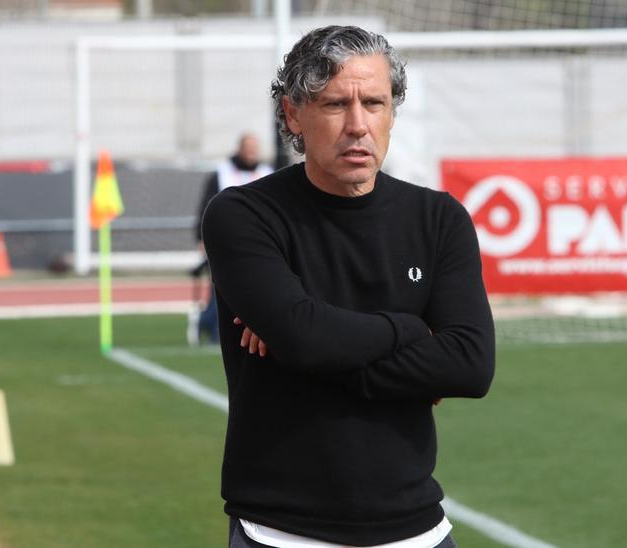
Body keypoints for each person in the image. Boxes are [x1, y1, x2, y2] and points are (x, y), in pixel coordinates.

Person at [200, 26, 495, 547]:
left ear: (392, 113)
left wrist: (304, 346)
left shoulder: (439, 218)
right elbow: (305, 339)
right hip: (279, 532)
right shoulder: (244, 215)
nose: (358, 125)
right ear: (293, 115)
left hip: (418, 531)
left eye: (375, 103)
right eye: (336, 104)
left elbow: (470, 365)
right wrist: (411, 329)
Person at [191, 133, 273, 344]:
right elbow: (206, 207)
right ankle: (211, 328)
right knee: (222, 288)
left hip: (259, 243)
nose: (251, 153)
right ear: (239, 149)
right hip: (225, 242)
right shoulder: (222, 173)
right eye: (248, 148)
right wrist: (201, 237)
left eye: (254, 148)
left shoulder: (267, 172)